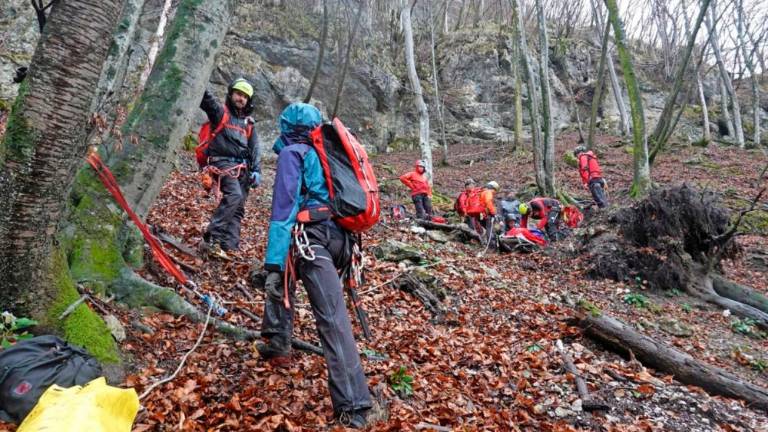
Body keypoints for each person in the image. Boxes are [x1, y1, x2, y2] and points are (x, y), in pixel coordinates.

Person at [257, 103, 372, 428]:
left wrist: (272, 264)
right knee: (284, 276)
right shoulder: (328, 155)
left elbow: (283, 211)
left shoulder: (293, 153)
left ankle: (356, 406)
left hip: (312, 237)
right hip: (340, 240)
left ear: (286, 126)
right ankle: (278, 341)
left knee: (330, 317)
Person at [199, 78, 261, 259]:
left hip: (243, 169)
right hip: (222, 163)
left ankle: (229, 247)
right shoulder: (220, 113)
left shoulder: (249, 124)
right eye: (238, 94)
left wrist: (257, 170)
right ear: (231, 94)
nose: (241, 99)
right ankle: (212, 237)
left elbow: (254, 148)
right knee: (234, 196)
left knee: (238, 208)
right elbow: (206, 100)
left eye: (245, 97)